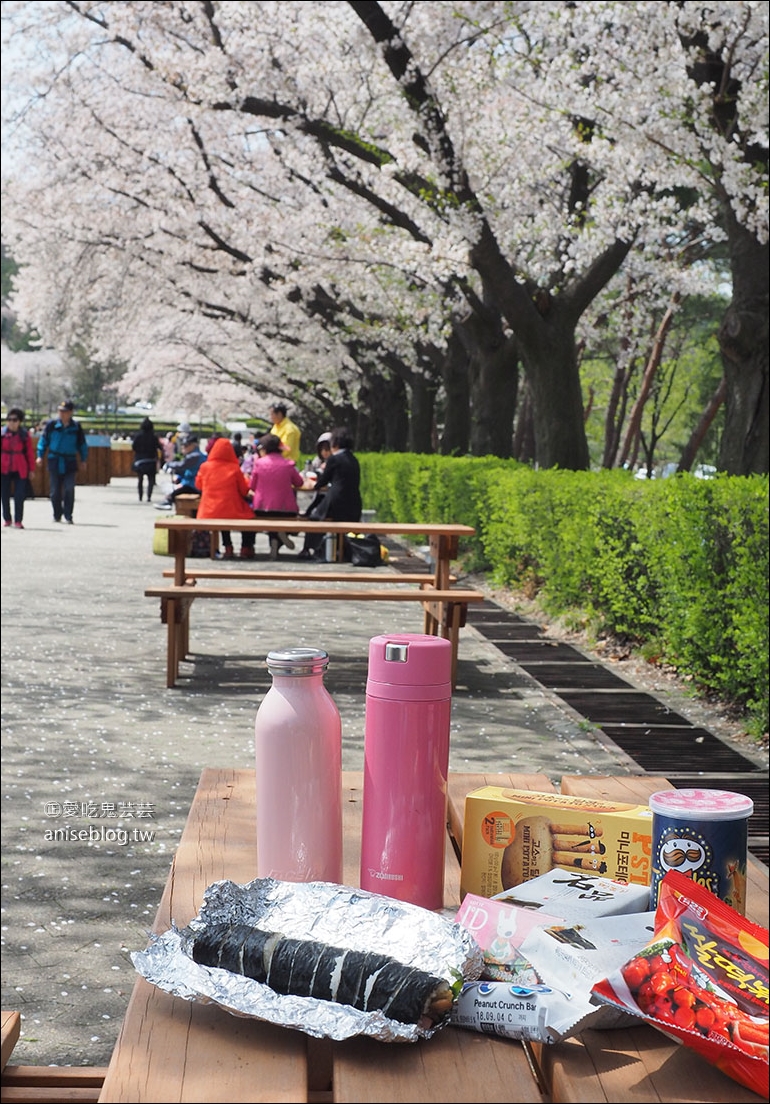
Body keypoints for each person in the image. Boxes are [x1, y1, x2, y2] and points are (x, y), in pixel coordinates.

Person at [298, 426, 361, 560]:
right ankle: (342, 551)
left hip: (336, 501)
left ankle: (308, 548)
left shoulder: (334, 459)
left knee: (315, 517)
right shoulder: (354, 459)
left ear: (335, 444)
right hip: (354, 503)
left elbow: (323, 481)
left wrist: (313, 484)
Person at [195, 436, 256, 559]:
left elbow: (198, 485)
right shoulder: (234, 468)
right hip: (232, 509)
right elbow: (244, 490)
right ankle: (245, 547)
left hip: (208, 511)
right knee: (249, 516)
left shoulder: (205, 467)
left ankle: (228, 547)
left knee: (221, 516)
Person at [249, 433, 304, 560]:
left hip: (262, 509)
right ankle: (280, 536)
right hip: (286, 510)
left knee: (270, 518)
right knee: (284, 518)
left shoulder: (259, 464)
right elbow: (299, 483)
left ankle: (276, 539)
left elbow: (252, 486)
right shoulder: (288, 464)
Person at [35, 400, 88, 524]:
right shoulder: (52, 425)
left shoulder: (76, 427)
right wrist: (40, 455)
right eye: (60, 411)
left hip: (70, 460)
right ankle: (57, 514)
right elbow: (44, 441)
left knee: (69, 488)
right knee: (54, 490)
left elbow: (82, 445)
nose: (62, 414)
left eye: (65, 411)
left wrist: (84, 459)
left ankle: (68, 514)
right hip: (55, 459)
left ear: (70, 412)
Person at [1, 407, 36, 529]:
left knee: (19, 494)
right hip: (4, 467)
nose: (11, 422)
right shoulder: (2, 434)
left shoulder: (24, 435)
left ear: (19, 421)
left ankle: (18, 520)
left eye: (14, 420)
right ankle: (7, 518)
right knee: (4, 494)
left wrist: (31, 469)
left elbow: (29, 454)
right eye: (9, 419)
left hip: (20, 467)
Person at [154, 435, 205, 509]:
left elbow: (182, 465)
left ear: (193, 445)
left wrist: (169, 464)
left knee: (175, 493)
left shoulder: (194, 456)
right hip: (192, 482)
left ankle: (168, 502)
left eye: (186, 445)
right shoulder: (196, 455)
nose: (183, 447)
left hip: (193, 485)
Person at [131, 417, 164, 502]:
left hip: (140, 460)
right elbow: (159, 447)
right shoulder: (154, 437)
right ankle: (149, 496)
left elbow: (134, 447)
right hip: (151, 460)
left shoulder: (138, 436)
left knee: (140, 480)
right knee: (151, 480)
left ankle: (140, 496)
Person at [302, 431, 332, 520]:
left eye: (327, 449)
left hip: (329, 494)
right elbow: (307, 473)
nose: (324, 452)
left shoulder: (335, 461)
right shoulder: (317, 460)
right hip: (318, 492)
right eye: (322, 449)